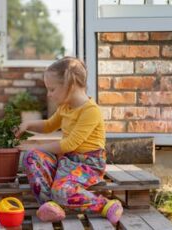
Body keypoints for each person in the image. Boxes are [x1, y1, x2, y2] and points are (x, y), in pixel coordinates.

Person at [15, 57, 123, 225]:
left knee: (61, 190)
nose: (48, 94)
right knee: (31, 157)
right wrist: (27, 125)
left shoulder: (90, 111)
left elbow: (68, 144)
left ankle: (105, 205)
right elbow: (49, 125)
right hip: (66, 161)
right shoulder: (65, 107)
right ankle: (49, 206)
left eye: (52, 89)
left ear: (70, 86)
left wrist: (36, 145)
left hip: (88, 164)